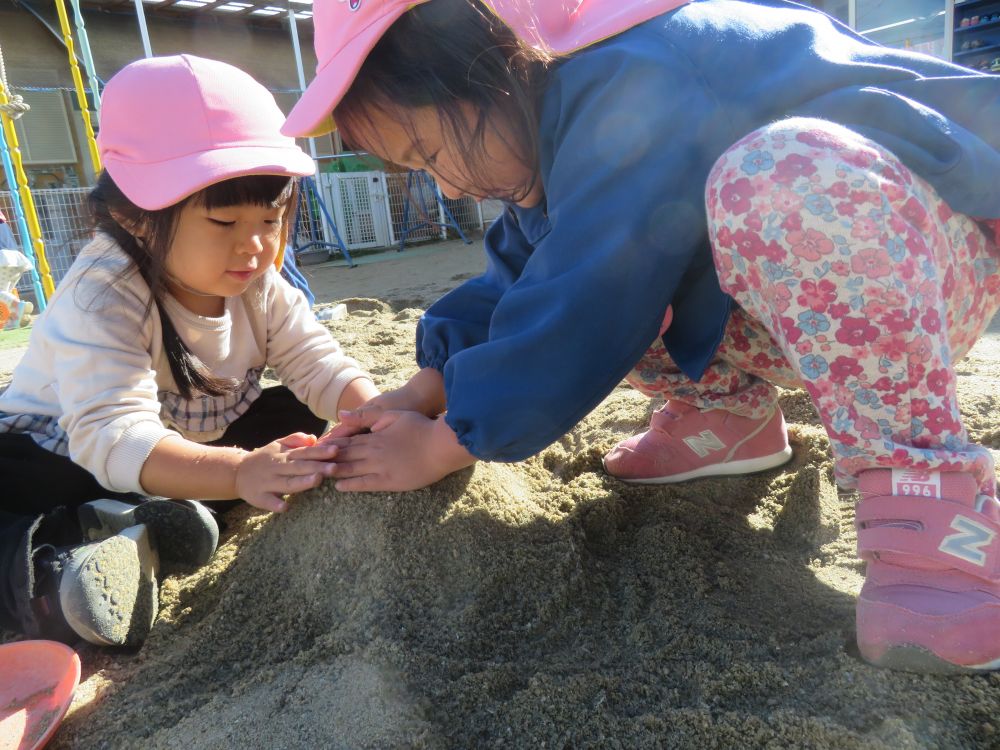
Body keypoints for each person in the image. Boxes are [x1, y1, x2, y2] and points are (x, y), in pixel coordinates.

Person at [283, 0, 1000, 673]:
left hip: (932, 259)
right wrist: (423, 389)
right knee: (614, 265)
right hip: (834, 290)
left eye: (429, 151)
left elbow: (587, 297)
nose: (446, 189)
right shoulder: (549, 125)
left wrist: (445, 443)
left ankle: (929, 495)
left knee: (766, 184)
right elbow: (522, 283)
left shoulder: (635, 70)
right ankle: (729, 418)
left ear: (487, 60)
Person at [0, 55, 379, 648]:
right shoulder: (105, 289)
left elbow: (316, 361)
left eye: (271, 217)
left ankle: (151, 523)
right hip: (61, 453)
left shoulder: (258, 284)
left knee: (298, 418)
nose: (254, 244)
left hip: (176, 451)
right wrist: (241, 470)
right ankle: (56, 579)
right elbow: (112, 433)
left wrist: (376, 413)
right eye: (224, 220)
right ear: (134, 216)